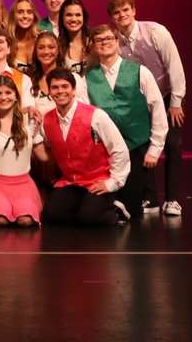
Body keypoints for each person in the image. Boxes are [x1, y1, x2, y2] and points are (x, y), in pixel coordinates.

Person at [109, 0, 188, 217]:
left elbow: (175, 66)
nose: (122, 15)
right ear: (112, 18)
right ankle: (150, 198)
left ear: (134, 10)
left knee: (172, 144)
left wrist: (176, 102)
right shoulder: (115, 40)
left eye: (125, 10)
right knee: (143, 146)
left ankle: (172, 200)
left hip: (166, 95)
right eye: (117, 13)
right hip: (141, 99)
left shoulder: (155, 32)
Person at [84, 24, 169, 222]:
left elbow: (157, 109)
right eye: (99, 40)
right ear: (94, 47)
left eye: (108, 39)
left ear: (117, 42)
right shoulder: (88, 78)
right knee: (102, 199)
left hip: (136, 146)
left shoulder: (140, 72)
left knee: (133, 207)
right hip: (106, 150)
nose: (104, 43)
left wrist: (155, 149)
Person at [37, 69, 132, 226]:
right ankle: (85, 207)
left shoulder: (96, 115)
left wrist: (113, 182)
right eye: (55, 87)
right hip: (71, 181)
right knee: (51, 216)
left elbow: (119, 148)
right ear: (49, 91)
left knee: (89, 219)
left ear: (74, 90)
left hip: (98, 178)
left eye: (65, 86)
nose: (60, 91)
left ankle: (115, 211)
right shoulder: (47, 119)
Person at [0, 75, 46, 226]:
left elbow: (42, 154)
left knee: (25, 221)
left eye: (8, 93)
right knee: (0, 220)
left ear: (16, 96)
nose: (3, 97)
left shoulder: (29, 121)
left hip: (23, 184)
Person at [28, 31, 88, 114]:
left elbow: (84, 111)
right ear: (36, 51)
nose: (46, 52)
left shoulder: (73, 78)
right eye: (41, 47)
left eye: (51, 47)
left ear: (58, 51)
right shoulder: (29, 81)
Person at [57, 0, 94, 74]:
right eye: (69, 15)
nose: (74, 19)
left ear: (84, 17)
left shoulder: (94, 42)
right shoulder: (58, 47)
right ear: (62, 18)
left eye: (78, 15)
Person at [7, 0, 41, 72]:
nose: (25, 16)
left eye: (29, 12)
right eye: (20, 12)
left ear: (34, 15)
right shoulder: (7, 42)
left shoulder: (42, 38)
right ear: (13, 16)